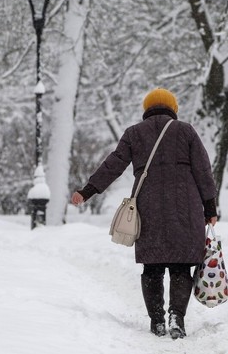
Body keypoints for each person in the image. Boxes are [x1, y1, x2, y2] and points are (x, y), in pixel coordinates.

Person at [71, 88, 218, 339]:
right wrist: (210, 207)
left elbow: (114, 164)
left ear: (146, 108)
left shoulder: (134, 133)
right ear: (173, 108)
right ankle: (176, 318)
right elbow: (203, 170)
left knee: (153, 266)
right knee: (181, 266)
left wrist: (88, 191)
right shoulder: (186, 131)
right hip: (185, 207)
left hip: (149, 207)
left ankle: (157, 321)